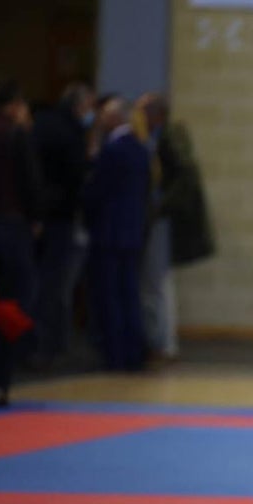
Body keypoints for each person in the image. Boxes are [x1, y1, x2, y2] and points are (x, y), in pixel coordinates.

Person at [135, 92, 216, 365]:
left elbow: (183, 178)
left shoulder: (168, 138)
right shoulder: (163, 137)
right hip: (163, 215)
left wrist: (160, 207)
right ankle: (162, 342)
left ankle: (162, 344)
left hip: (164, 217)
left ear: (155, 115)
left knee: (156, 282)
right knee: (157, 282)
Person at [82, 95, 151, 371]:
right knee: (130, 293)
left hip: (109, 232)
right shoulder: (140, 149)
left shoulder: (112, 150)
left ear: (114, 117)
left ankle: (115, 354)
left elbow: (97, 191)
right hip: (132, 231)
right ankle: (134, 352)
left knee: (110, 295)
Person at [30, 81, 94, 367]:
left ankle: (36, 345)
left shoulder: (42, 125)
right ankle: (50, 347)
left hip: (38, 216)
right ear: (79, 106)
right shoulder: (71, 134)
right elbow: (76, 178)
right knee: (56, 286)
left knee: (41, 283)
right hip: (61, 217)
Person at [0, 78, 41, 406]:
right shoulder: (15, 135)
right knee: (8, 308)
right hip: (9, 229)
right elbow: (30, 184)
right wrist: (36, 220)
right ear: (16, 106)